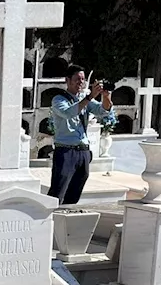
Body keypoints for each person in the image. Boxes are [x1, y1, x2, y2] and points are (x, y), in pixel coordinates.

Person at [48, 65, 113, 206]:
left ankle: (68, 217)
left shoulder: (84, 98)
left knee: (75, 191)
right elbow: (68, 113)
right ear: (68, 80)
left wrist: (106, 97)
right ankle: (49, 220)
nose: (81, 83)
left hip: (83, 151)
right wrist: (90, 97)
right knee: (58, 190)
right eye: (77, 79)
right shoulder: (58, 100)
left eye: (83, 79)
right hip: (65, 151)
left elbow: (102, 111)